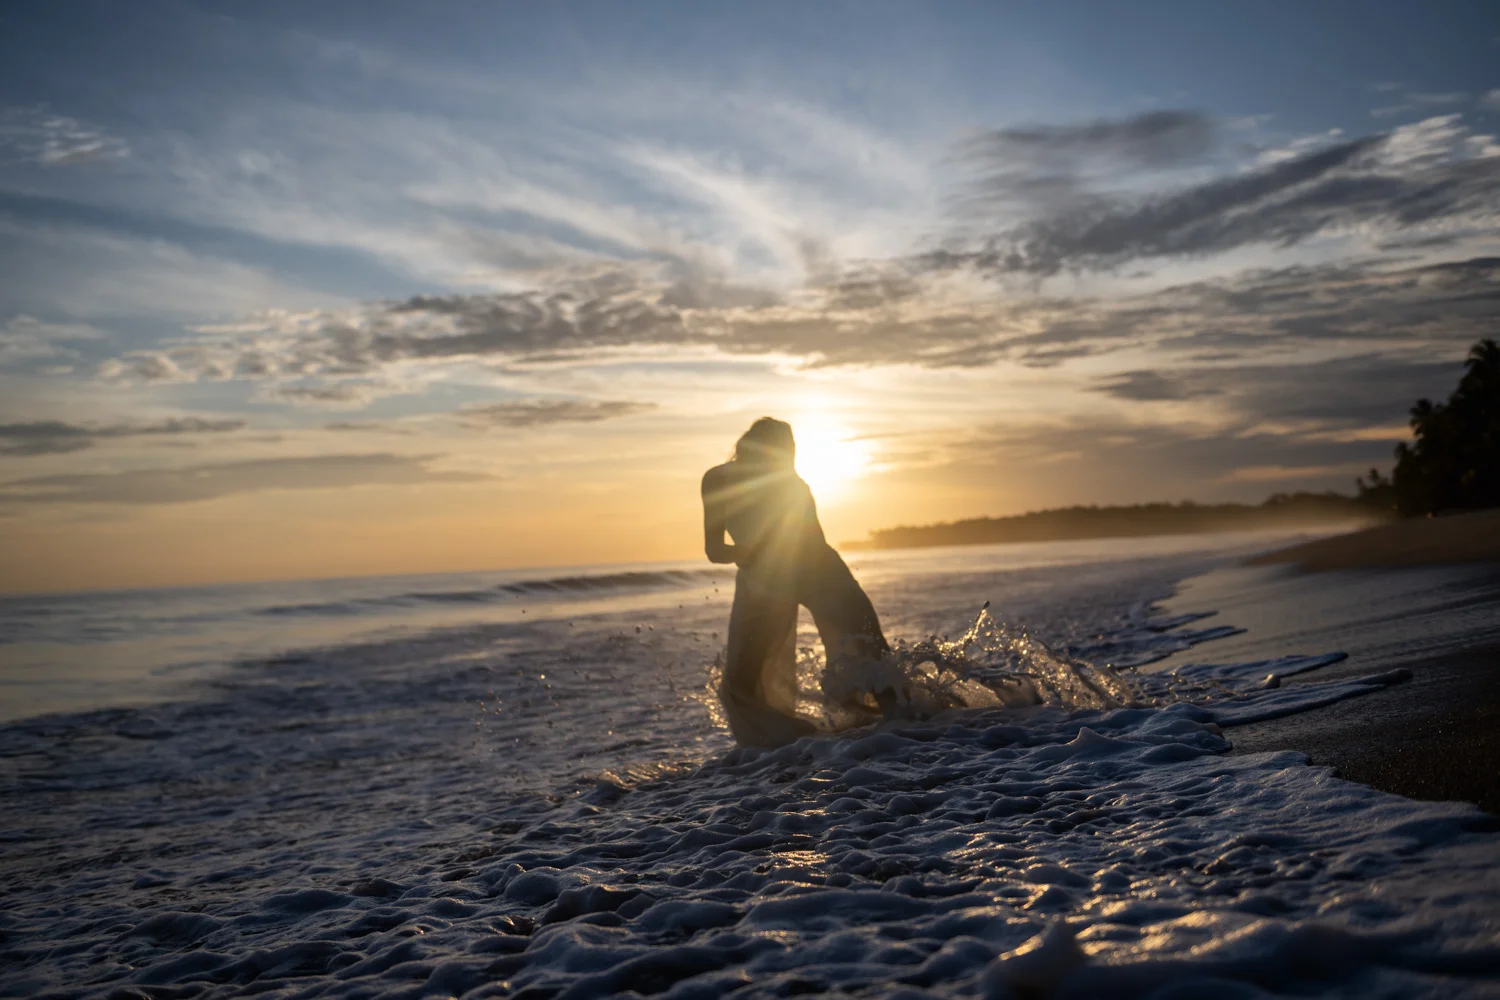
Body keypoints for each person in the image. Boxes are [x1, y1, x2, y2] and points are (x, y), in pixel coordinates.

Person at [702, 417, 890, 746]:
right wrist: (744, 553)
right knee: (741, 682)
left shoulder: (792, 484)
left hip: (813, 569)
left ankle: (904, 728)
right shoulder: (719, 479)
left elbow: (812, 541)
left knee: (870, 652)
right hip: (764, 578)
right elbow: (714, 549)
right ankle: (782, 743)